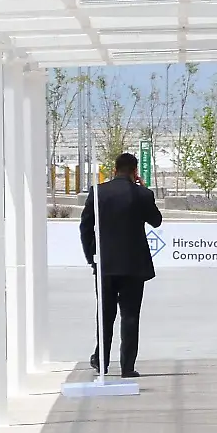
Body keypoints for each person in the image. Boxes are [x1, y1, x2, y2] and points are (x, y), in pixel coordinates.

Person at [80, 151, 163, 379]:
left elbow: (85, 227)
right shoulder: (142, 194)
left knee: (105, 315)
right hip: (134, 267)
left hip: (105, 266)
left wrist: (92, 257)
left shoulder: (98, 192)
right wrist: (144, 190)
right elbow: (156, 220)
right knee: (130, 316)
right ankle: (127, 367)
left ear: (114, 170)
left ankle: (102, 362)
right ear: (135, 172)